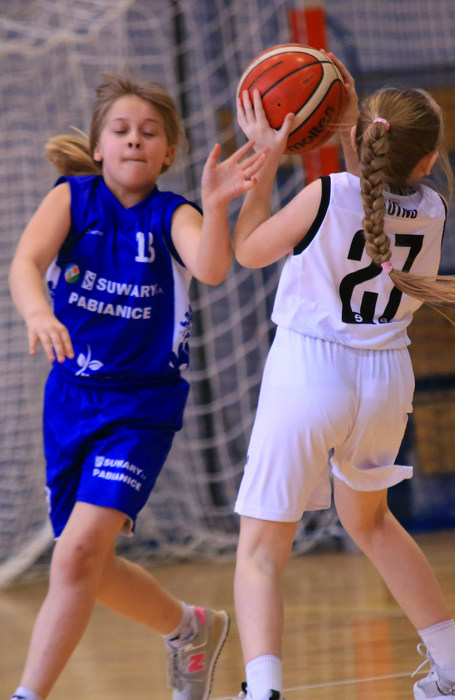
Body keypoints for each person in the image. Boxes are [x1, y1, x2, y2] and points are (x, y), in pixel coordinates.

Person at [230, 53, 455, 700]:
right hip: (385, 380)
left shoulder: (325, 194)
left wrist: (269, 154)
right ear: (427, 161)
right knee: (374, 523)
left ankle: (262, 690)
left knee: (261, 550)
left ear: (359, 137)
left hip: (309, 369)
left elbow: (247, 250)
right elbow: (375, 187)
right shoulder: (433, 209)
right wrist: (353, 119)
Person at [8, 71, 266, 700]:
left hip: (141, 409)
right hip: (70, 401)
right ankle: (190, 630)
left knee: (75, 557)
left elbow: (211, 268)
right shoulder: (72, 199)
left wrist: (216, 203)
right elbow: (26, 263)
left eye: (149, 132)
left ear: (168, 153)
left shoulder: (171, 213)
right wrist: (38, 312)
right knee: (88, 564)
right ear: (98, 146)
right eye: (121, 130)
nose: (133, 140)